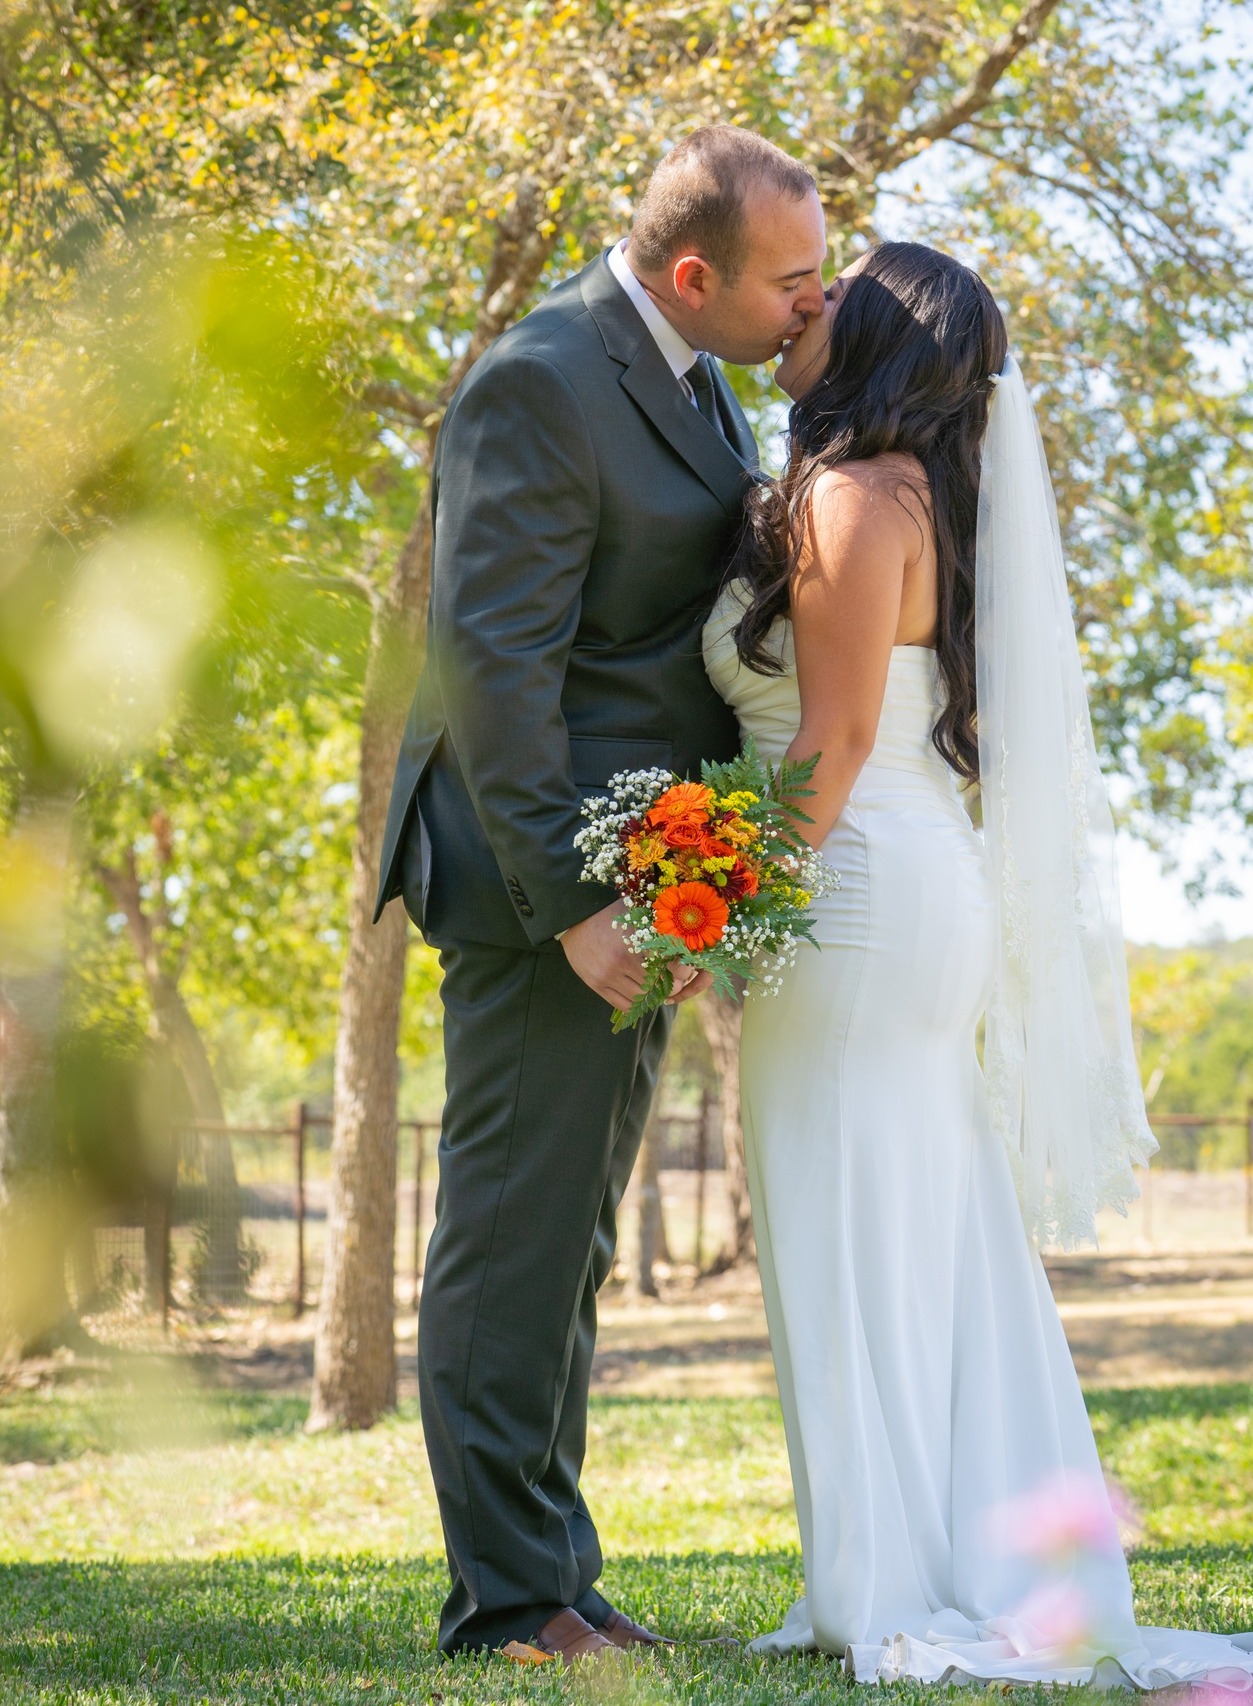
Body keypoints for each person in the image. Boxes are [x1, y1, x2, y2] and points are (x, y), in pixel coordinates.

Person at [702, 241, 1253, 1688]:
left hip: (849, 896)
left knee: (848, 1231)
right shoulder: (916, 497)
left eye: (830, 292)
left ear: (877, 341)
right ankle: (930, 1555)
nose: (802, 304)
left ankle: (887, 1579)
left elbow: (830, 745)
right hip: (902, 890)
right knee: (917, 1230)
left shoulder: (851, 499)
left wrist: (698, 913)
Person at [372, 127, 826, 1666]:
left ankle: (552, 1566)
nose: (803, 306)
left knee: (566, 1239)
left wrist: (688, 885)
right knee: (511, 1233)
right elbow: (492, 663)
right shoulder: (542, 376)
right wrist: (578, 897)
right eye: (788, 279)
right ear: (693, 275)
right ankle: (504, 1601)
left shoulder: (697, 385)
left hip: (647, 881)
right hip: (533, 884)